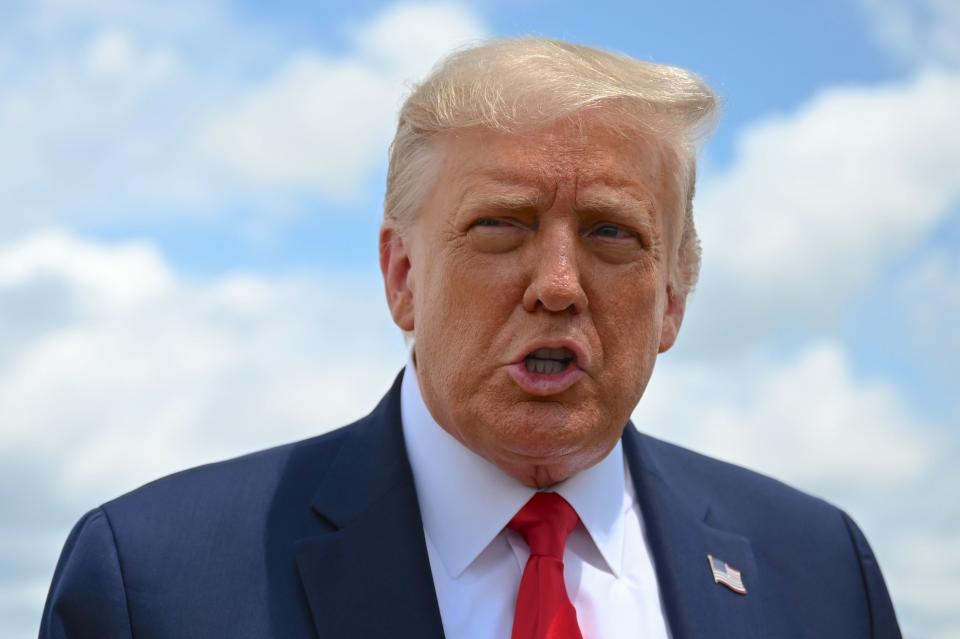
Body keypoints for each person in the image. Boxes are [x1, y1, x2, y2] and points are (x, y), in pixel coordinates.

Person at [40, 38, 901, 639]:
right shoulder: (152, 581)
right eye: (501, 225)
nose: (559, 284)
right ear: (402, 276)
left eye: (611, 233)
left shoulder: (822, 571)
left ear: (673, 296)